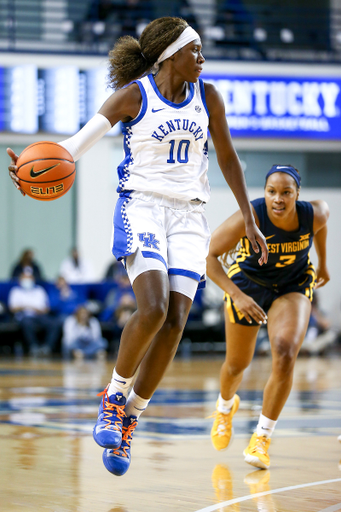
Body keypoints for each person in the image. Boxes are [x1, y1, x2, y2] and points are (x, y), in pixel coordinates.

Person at [7, 17, 267, 477]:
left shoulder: (209, 98)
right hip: (142, 206)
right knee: (152, 308)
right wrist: (35, 168)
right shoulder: (135, 95)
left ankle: (131, 418)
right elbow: (74, 145)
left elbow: (226, 155)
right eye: (196, 51)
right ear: (170, 54)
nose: (202, 59)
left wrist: (248, 215)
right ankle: (112, 396)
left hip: (190, 215)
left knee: (176, 321)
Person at [206, 164, 330, 469]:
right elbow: (208, 257)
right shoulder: (251, 216)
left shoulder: (315, 213)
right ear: (265, 193)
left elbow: (321, 228)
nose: (278, 198)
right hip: (248, 285)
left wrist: (323, 263)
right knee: (237, 365)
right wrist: (237, 295)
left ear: (297, 195)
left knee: (286, 351)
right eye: (271, 191)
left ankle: (262, 437)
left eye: (286, 192)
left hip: (293, 284)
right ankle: (224, 407)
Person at [7, 272, 61, 356]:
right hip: (24, 316)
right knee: (27, 323)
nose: (27, 281)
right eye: (25, 278)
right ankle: (34, 347)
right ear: (20, 280)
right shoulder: (15, 291)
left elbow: (46, 309)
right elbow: (12, 308)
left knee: (55, 323)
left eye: (29, 278)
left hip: (40, 316)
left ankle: (47, 347)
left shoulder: (40, 290)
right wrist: (26, 307)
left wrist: (35, 309)